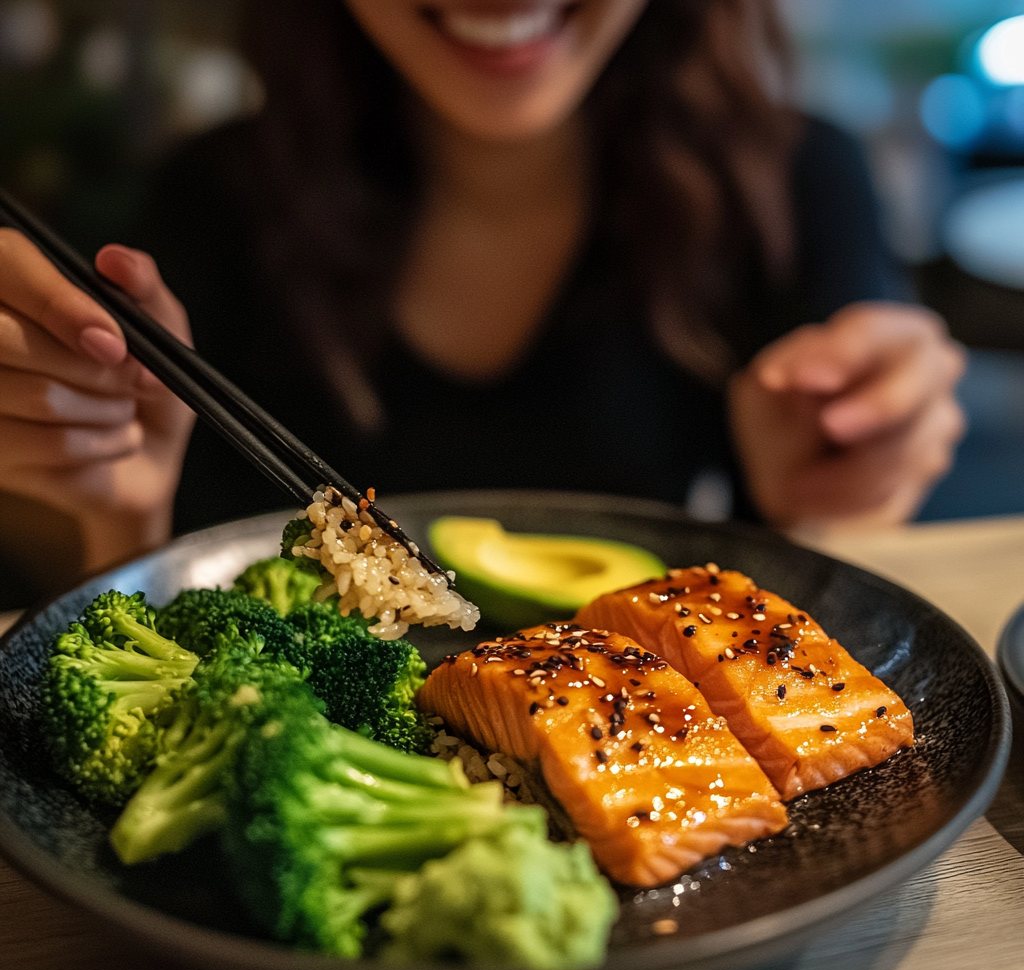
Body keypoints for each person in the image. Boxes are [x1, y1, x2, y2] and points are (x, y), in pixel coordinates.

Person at [0, 0, 965, 602]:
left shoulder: (794, 179)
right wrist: (119, 515)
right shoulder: (211, 198)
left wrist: (832, 482)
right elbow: (168, 612)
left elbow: (835, 587)